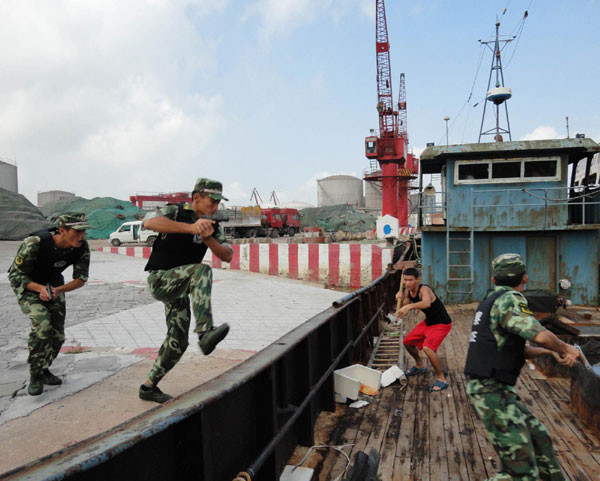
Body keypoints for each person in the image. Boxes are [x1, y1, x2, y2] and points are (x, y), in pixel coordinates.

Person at [464, 253, 580, 481]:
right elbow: (539, 335)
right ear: (525, 278)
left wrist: (552, 351)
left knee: (540, 439)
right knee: (520, 472)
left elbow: (512, 348)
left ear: (493, 279)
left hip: (498, 389)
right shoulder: (509, 299)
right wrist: (565, 348)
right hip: (491, 391)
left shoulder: (491, 299)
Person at [138, 178, 234, 403]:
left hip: (180, 287)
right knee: (202, 271)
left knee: (178, 340)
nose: (215, 207)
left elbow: (227, 255)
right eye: (212, 201)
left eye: (219, 202)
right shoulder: (175, 211)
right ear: (197, 197)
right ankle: (205, 332)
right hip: (161, 279)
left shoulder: (212, 225)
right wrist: (190, 228)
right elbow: (149, 223)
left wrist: (207, 238)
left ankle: (148, 387)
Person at [8, 213, 91, 396]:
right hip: (28, 286)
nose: (82, 235)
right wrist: (40, 289)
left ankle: (44, 368)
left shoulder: (81, 247)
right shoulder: (35, 243)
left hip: (54, 286)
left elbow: (80, 279)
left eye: (83, 230)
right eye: (77, 231)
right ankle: (35, 374)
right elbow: (15, 275)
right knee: (42, 324)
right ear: (62, 230)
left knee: (57, 334)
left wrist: (57, 290)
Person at [396, 267, 452, 392]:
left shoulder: (424, 289)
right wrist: (399, 298)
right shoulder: (407, 290)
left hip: (441, 324)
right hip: (428, 323)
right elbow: (405, 305)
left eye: (410, 280)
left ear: (417, 280)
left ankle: (441, 378)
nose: (407, 283)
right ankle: (420, 365)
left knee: (428, 348)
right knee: (407, 342)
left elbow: (426, 303)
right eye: (405, 280)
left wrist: (410, 306)